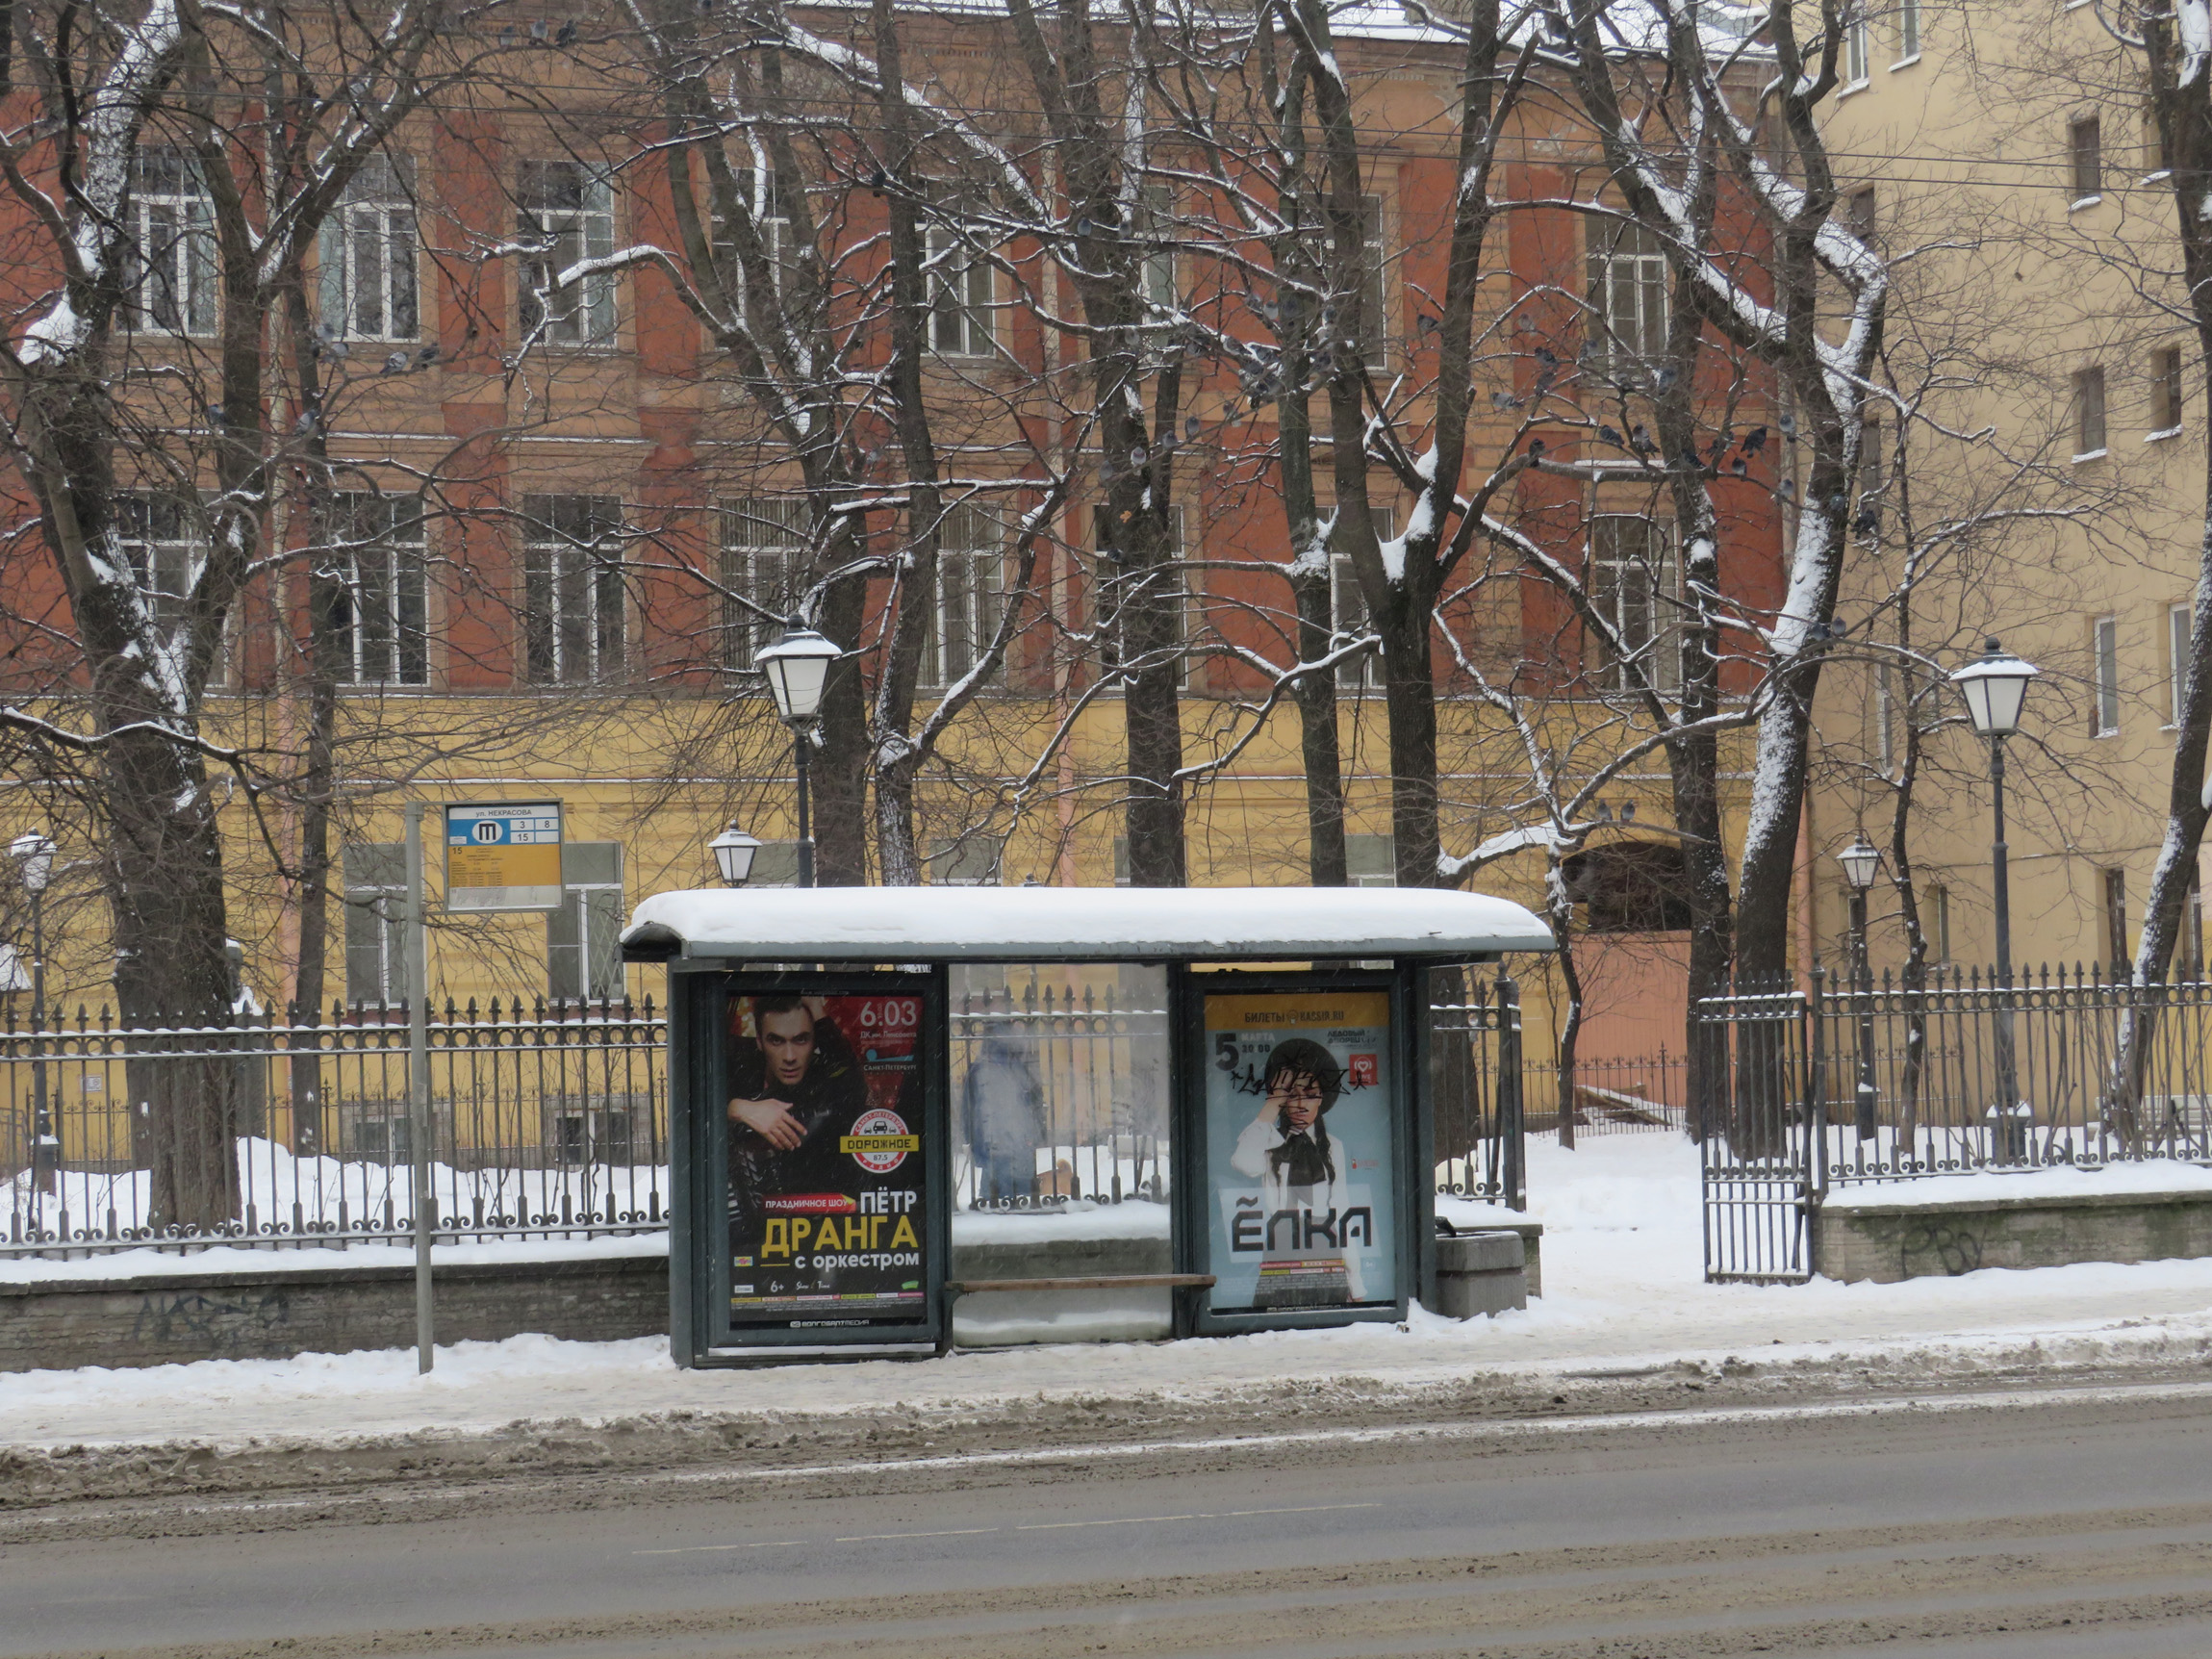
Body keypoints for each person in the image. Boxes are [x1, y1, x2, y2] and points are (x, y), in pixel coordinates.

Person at [725, 995, 870, 1245]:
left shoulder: (822, 1077)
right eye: (776, 1041)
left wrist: (817, 1010)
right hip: (745, 1228)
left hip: (815, 1223)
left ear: (814, 1041)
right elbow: (695, 1104)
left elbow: (855, 1088)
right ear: (759, 1041)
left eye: (801, 1039)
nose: (789, 1056)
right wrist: (739, 1108)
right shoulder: (740, 1064)